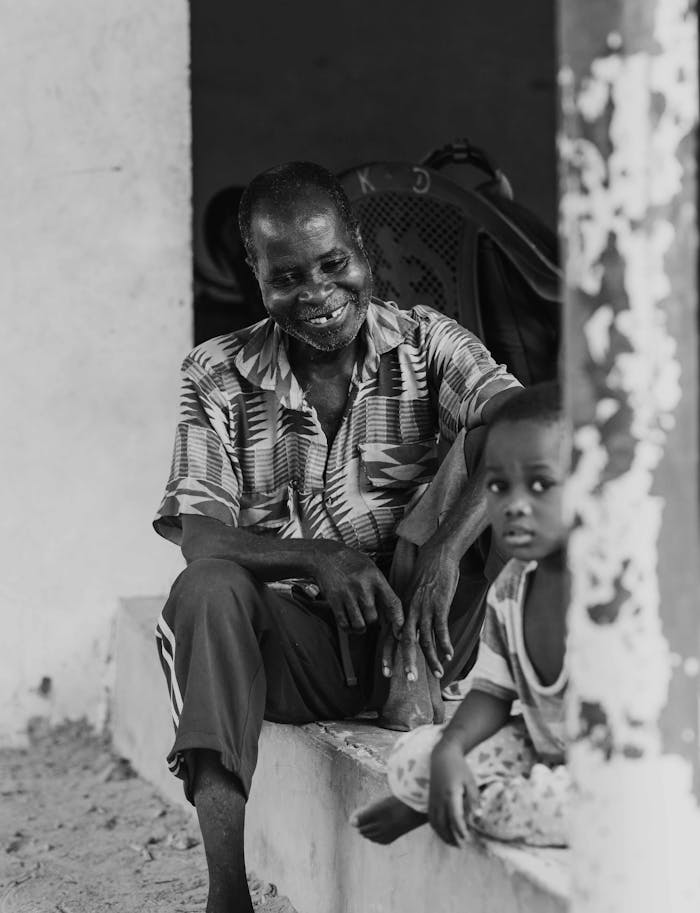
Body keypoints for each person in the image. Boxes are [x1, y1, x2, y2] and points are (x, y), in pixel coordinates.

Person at [153, 161, 520, 912]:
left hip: (432, 624)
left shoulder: (427, 345)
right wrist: (320, 556)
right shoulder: (217, 374)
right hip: (301, 657)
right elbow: (198, 534)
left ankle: (434, 680)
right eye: (286, 275)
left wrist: (448, 547)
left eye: (333, 264)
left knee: (495, 449)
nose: (318, 294)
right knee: (206, 589)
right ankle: (227, 895)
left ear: (363, 250)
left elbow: (529, 427)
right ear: (254, 273)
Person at [351, 382, 571, 848]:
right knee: (415, 759)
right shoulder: (513, 586)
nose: (513, 505)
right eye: (498, 485)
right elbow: (493, 692)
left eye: (540, 484)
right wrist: (451, 751)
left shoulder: (619, 598)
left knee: (554, 806)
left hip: (623, 772)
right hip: (542, 747)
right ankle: (438, 792)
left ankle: (438, 803)